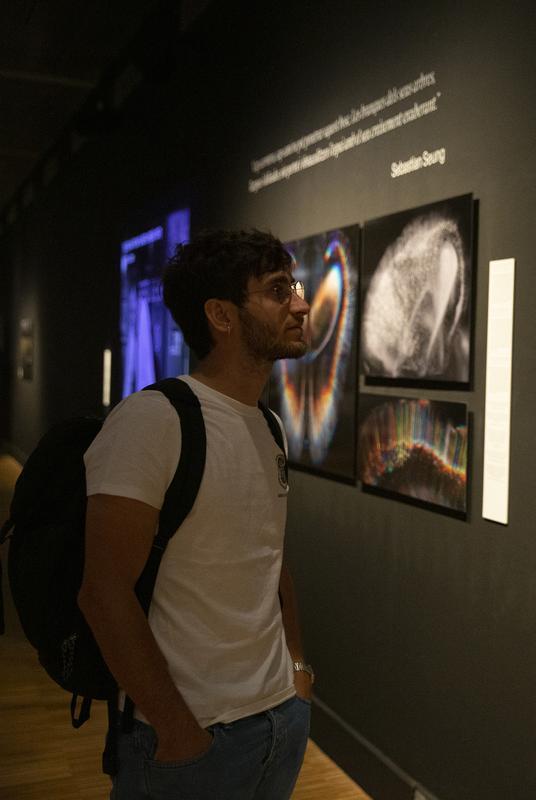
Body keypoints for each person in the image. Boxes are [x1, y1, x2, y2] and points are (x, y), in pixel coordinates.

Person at [78, 229, 315, 800]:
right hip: (192, 735)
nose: (301, 304)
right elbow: (103, 593)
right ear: (221, 315)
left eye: (296, 286)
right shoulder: (153, 420)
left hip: (278, 717)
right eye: (279, 289)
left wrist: (298, 674)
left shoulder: (269, 424)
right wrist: (179, 731)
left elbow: (269, 559)